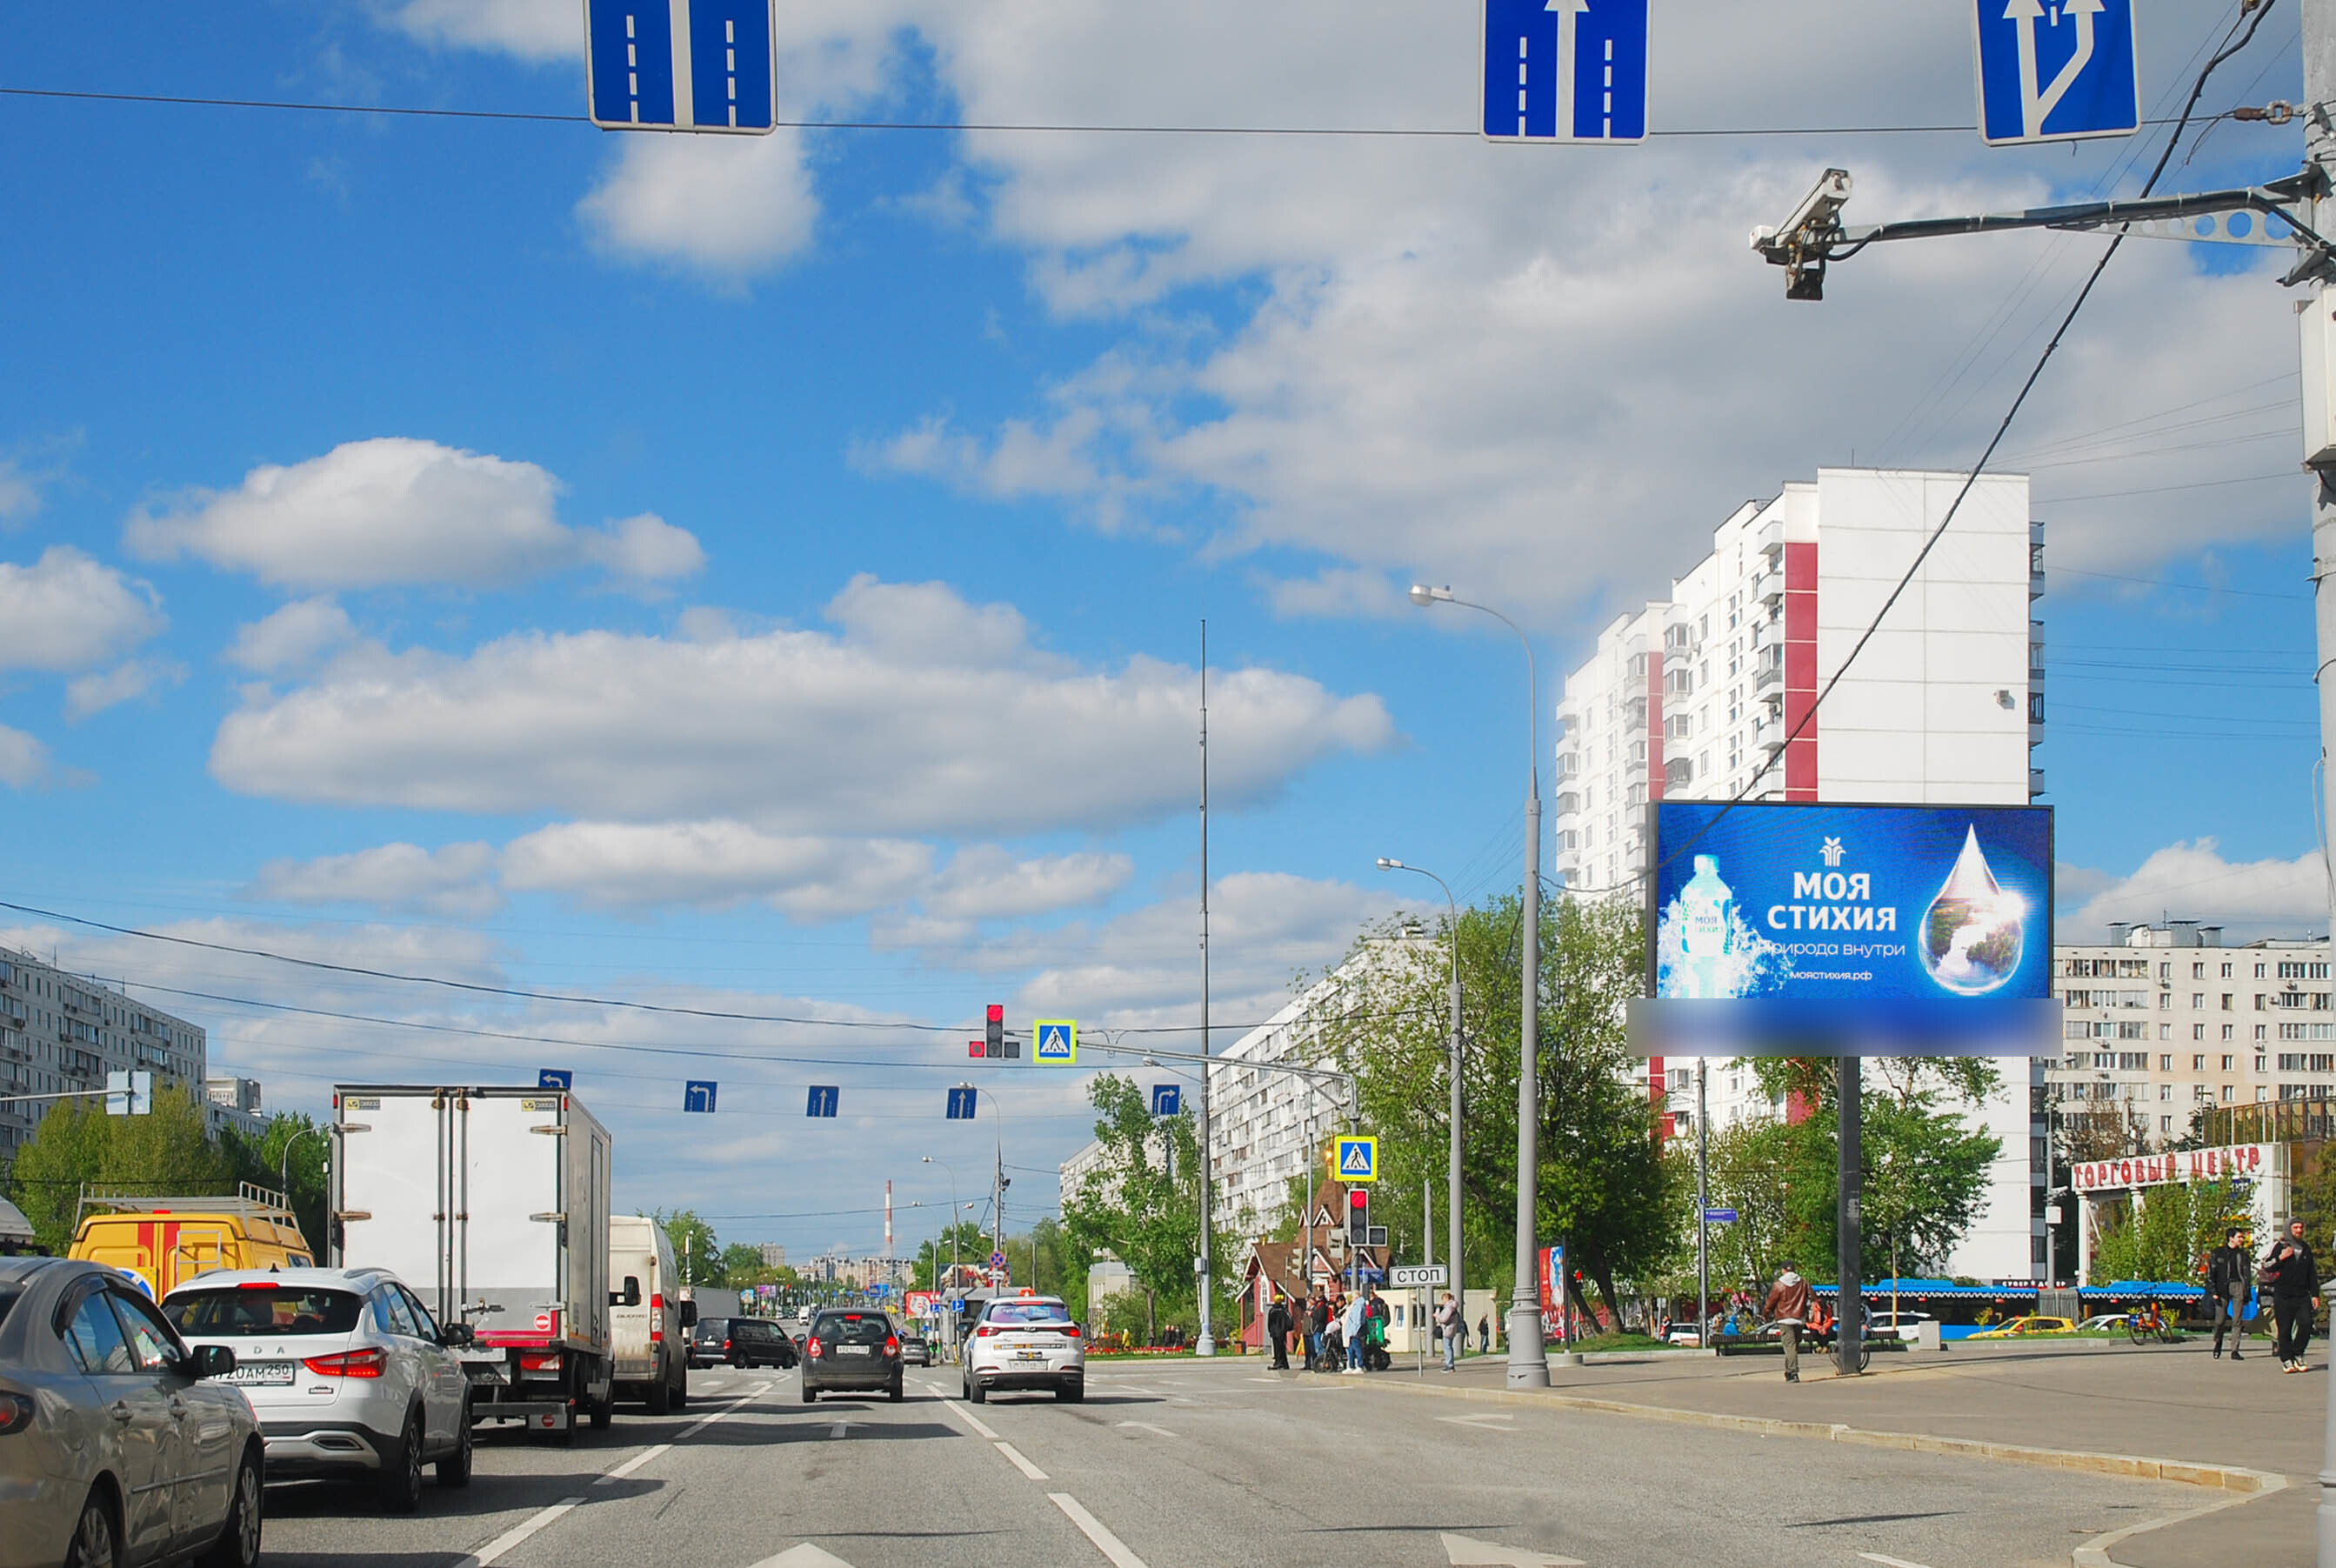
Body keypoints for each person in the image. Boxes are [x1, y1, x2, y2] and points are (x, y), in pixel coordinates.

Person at [2263, 1218, 2324, 1372]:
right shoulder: (2280, 1246)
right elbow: (2267, 1266)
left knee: (2306, 1324)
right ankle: (2286, 1359)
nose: (2299, 1230)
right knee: (2284, 1328)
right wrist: (2281, 1257)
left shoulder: (2305, 1248)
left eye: (2301, 1227)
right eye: (2295, 1227)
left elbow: (2311, 1273)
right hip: (2283, 1294)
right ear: (2289, 1229)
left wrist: (2315, 1294)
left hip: (2302, 1295)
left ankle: (2298, 1353)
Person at [1764, 1261, 1814, 1384]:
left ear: (1783, 1270)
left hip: (1784, 1318)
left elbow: (1770, 1302)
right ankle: (1788, 1371)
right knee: (1793, 1346)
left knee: (1790, 1346)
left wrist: (1765, 1314)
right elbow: (1813, 1296)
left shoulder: (1778, 1285)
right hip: (1799, 1318)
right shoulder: (1803, 1282)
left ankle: (1793, 1372)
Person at [2206, 1226, 2252, 1361]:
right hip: (2222, 1287)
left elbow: (2247, 1275)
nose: (2241, 1239)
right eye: (2239, 1237)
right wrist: (2213, 1290)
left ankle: (2234, 1350)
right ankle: (2218, 1341)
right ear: (2231, 1238)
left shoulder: (2243, 1255)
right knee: (2220, 1320)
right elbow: (2211, 1273)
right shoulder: (2218, 1253)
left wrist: (2247, 1292)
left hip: (2238, 1286)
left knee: (2237, 1320)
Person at [1341, 1291, 1368, 1373]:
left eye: (1352, 1297)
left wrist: (1354, 1330)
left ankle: (1360, 1366)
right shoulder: (1355, 1305)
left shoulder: (1358, 1305)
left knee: (1357, 1347)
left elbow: (1357, 1320)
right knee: (1351, 1348)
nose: (1351, 1299)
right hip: (1350, 1330)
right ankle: (1351, 1365)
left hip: (1355, 1330)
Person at [1437, 1291, 1465, 1372]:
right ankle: (1450, 1364)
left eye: (1443, 1299)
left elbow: (1444, 1319)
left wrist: (1438, 1317)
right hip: (1452, 1329)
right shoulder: (1453, 1307)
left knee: (1447, 1347)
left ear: (1446, 1298)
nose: (1443, 1301)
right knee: (1449, 1346)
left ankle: (1449, 1365)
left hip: (1447, 1329)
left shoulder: (1449, 1308)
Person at [1265, 1290, 1292, 1371]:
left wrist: (1271, 1331)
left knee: (1277, 1349)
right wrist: (1287, 1328)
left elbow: (1269, 1323)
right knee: (1282, 1348)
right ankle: (1284, 1363)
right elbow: (1290, 1321)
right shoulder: (1284, 1310)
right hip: (1282, 1333)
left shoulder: (1272, 1310)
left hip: (1275, 1333)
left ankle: (1278, 1363)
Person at [1307, 1291, 1330, 1371]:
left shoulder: (1322, 1306)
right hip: (1316, 1330)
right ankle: (1321, 1363)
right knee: (1317, 1347)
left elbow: (1320, 1317)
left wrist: (1312, 1314)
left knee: (1319, 1347)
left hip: (1319, 1329)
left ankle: (1324, 1363)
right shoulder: (1318, 1306)